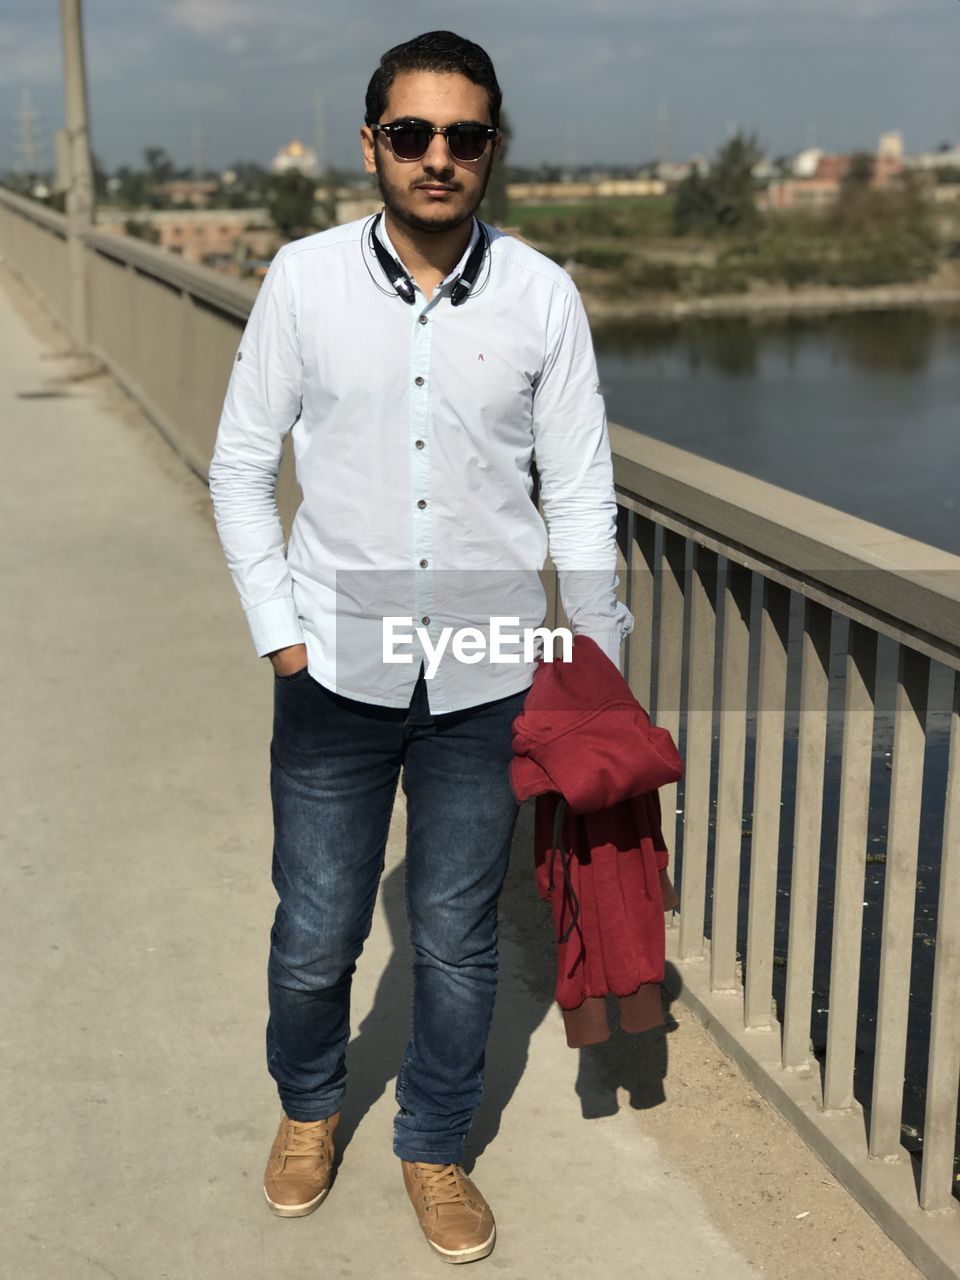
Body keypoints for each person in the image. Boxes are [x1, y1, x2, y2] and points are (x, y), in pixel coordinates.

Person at [208, 29, 632, 1265]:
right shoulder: (302, 282)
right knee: (316, 927)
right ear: (371, 144)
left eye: (464, 136)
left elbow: (582, 499)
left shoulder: (542, 295)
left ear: (494, 148)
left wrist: (592, 668)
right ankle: (308, 1105)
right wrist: (281, 636)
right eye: (412, 134)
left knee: (452, 934)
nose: (437, 158)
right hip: (333, 670)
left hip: (491, 678)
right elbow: (241, 468)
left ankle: (435, 1142)